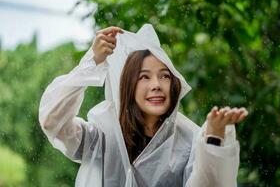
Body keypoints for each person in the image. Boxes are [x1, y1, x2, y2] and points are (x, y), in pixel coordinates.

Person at [39, 24, 248, 187]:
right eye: (144, 77)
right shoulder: (102, 138)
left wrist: (214, 138)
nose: (156, 85)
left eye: (164, 76)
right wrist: (92, 62)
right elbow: (53, 121)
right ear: (129, 85)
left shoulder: (189, 142)